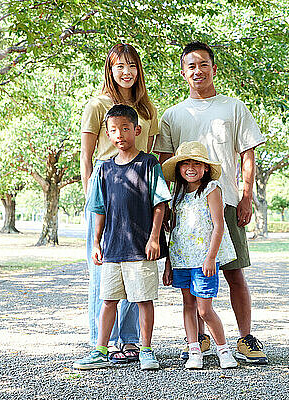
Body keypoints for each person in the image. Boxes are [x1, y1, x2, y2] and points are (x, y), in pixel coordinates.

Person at [154, 41, 268, 364]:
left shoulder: (233, 108)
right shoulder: (173, 115)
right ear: (183, 72)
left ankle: (246, 339)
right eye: (191, 66)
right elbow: (165, 163)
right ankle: (200, 341)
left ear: (213, 68)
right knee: (191, 278)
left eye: (203, 64)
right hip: (185, 209)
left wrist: (246, 195)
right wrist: (166, 211)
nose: (197, 71)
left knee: (234, 273)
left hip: (225, 203)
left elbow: (248, 153)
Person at [74, 105, 171, 370]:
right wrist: (96, 242)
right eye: (114, 130)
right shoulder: (104, 169)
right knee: (108, 301)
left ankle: (146, 349)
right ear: (107, 134)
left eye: (126, 129)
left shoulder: (148, 163)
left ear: (137, 131)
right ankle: (100, 350)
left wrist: (154, 239)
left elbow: (159, 204)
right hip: (112, 248)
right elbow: (98, 209)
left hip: (141, 248)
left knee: (142, 299)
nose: (120, 135)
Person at [80, 43, 159, 363]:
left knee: (135, 268)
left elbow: (148, 154)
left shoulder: (148, 111)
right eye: (119, 66)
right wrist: (92, 197)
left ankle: (129, 339)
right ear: (109, 71)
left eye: (132, 66)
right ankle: (103, 340)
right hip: (105, 189)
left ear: (139, 71)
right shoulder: (97, 105)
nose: (126, 72)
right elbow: (87, 156)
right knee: (104, 271)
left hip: (138, 195)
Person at [161, 141, 239, 370]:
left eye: (196, 163)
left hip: (203, 260)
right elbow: (174, 231)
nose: (190, 168)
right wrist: (168, 264)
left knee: (204, 309)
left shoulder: (211, 189)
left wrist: (211, 257)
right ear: (179, 168)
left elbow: (218, 226)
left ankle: (223, 349)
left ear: (205, 168)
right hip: (181, 260)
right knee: (188, 305)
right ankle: (194, 349)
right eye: (185, 163)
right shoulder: (178, 194)